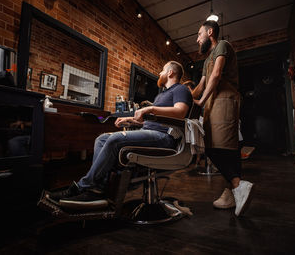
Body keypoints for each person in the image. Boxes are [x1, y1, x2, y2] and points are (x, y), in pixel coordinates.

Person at [48, 61, 192, 203]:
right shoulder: (161, 95)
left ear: (170, 72)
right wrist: (130, 120)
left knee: (114, 140)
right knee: (102, 138)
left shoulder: (180, 89)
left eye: (162, 70)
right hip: (151, 132)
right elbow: (151, 122)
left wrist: (150, 108)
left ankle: (83, 186)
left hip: (164, 137)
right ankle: (98, 189)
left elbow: (180, 112)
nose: (159, 73)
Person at [191, 20, 254, 216]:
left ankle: (237, 185)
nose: (197, 38)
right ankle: (233, 192)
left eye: (199, 34)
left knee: (216, 148)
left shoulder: (222, 46)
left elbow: (216, 75)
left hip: (225, 100)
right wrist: (186, 97)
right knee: (224, 147)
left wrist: (200, 101)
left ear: (210, 32)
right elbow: (201, 85)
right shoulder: (206, 60)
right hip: (212, 103)